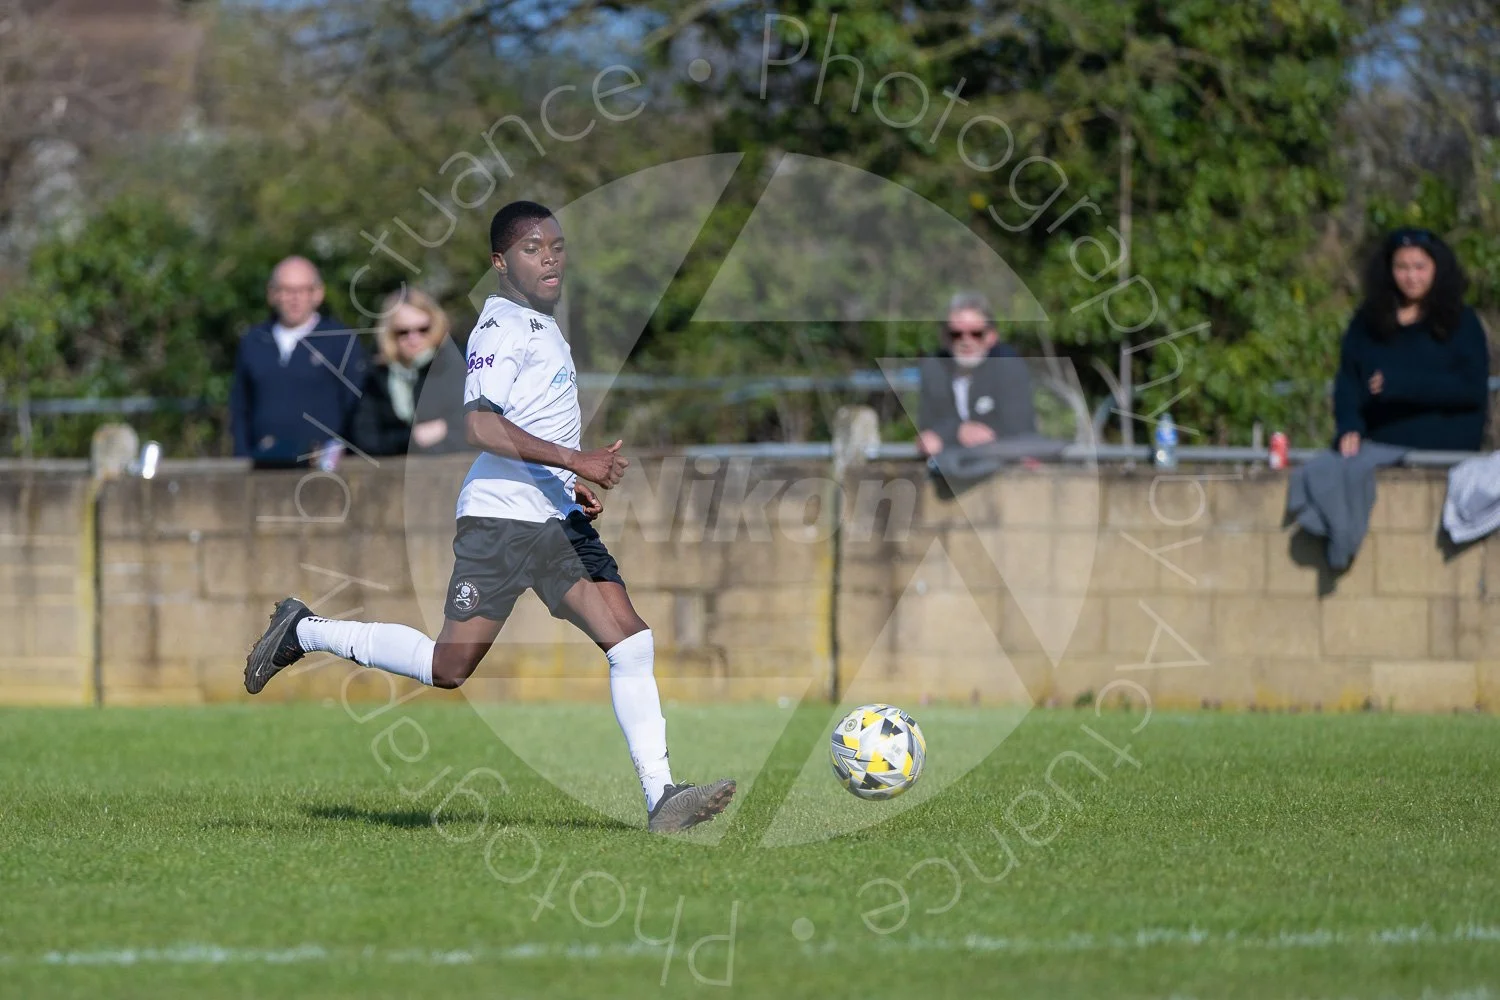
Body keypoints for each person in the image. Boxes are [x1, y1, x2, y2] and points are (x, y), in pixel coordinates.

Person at [243, 201, 736, 834]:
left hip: (552, 517)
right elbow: (479, 422)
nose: (549, 256)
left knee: (631, 642)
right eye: (532, 249)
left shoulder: (542, 325)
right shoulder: (501, 328)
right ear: (501, 263)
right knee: (448, 667)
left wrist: (563, 481)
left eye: (556, 245)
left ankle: (662, 798)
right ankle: (304, 630)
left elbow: (528, 418)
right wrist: (575, 460)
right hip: (501, 521)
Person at [1333, 228, 1491, 456]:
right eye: (1402, 268)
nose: (1411, 277)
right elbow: (1348, 381)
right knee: (1314, 476)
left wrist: (1399, 385)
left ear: (1437, 267)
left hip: (1444, 453)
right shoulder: (1367, 321)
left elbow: (1471, 389)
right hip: (1376, 447)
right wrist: (1349, 426)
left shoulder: (1460, 321)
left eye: (1420, 267)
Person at [229, 256, 367, 469]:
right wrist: (241, 456)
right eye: (286, 290)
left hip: (321, 468)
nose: (294, 298)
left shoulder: (340, 339)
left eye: (302, 290)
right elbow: (240, 406)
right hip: (263, 463)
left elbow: (355, 406)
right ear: (272, 294)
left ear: (318, 293)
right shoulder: (253, 342)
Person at [916, 291, 1037, 459]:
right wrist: (958, 431)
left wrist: (954, 434)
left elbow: (1018, 429)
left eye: (976, 333)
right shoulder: (934, 367)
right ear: (944, 337)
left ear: (992, 336)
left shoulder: (1007, 364)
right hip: (951, 468)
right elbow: (928, 427)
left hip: (1006, 466)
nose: (966, 341)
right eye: (956, 334)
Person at [350, 289, 468, 457]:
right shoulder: (376, 378)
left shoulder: (454, 368)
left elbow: (471, 431)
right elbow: (366, 439)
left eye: (423, 329)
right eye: (403, 332)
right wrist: (414, 437)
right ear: (389, 334)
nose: (414, 338)